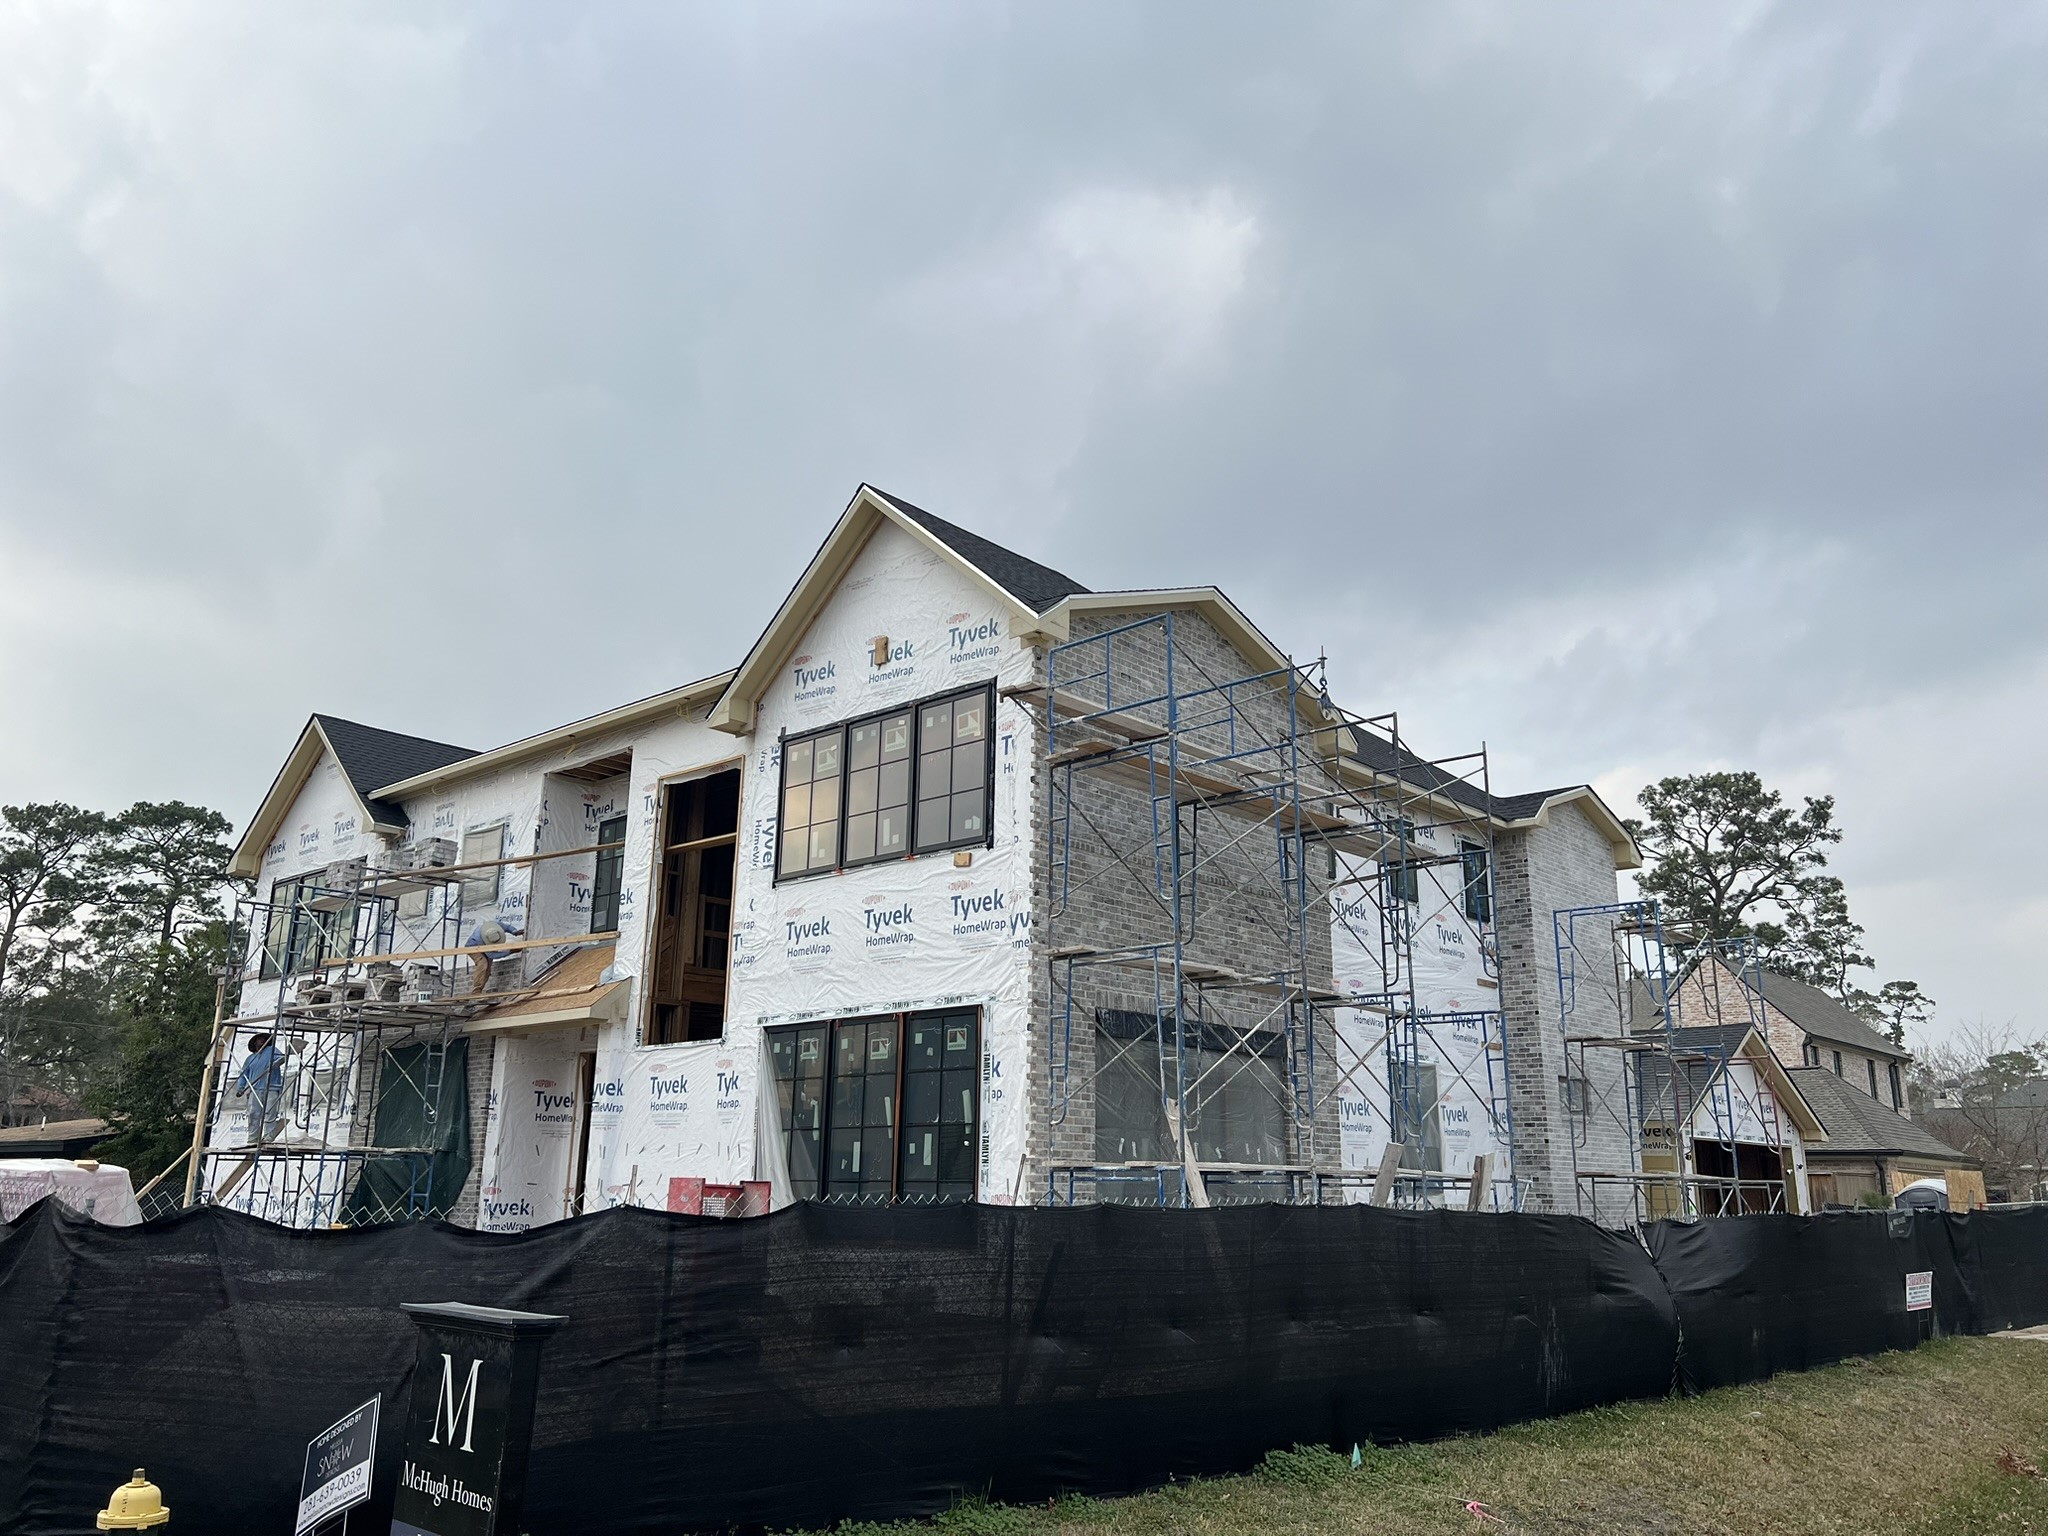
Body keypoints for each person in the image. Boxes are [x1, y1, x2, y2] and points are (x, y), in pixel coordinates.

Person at [233, 1033, 291, 1144]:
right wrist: (241, 1088)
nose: (262, 1041)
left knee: (270, 1112)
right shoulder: (250, 1058)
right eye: (260, 1040)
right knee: (253, 1113)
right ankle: (252, 1137)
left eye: (264, 1039)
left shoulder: (271, 1050)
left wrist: (277, 1062)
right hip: (255, 1089)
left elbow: (282, 1059)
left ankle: (268, 1136)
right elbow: (244, 1074)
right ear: (255, 1043)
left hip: (271, 1087)